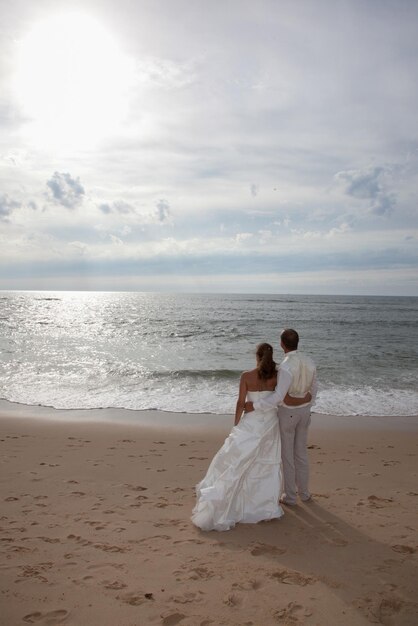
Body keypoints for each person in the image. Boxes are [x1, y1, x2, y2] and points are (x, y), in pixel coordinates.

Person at [191, 343, 308, 532]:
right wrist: (306, 399)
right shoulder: (278, 375)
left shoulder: (246, 376)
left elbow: (240, 403)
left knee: (237, 460)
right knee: (266, 463)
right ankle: (264, 505)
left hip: (251, 423)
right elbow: (281, 399)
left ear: (257, 356)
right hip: (270, 424)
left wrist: (236, 425)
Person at [245, 329, 317, 506]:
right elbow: (313, 390)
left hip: (289, 414)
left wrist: (254, 405)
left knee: (287, 455)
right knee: (301, 453)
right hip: (305, 412)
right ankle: (305, 493)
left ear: (282, 344)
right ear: (297, 342)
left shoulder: (285, 366)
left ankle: (291, 497)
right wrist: (306, 401)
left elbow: (278, 397)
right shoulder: (310, 361)